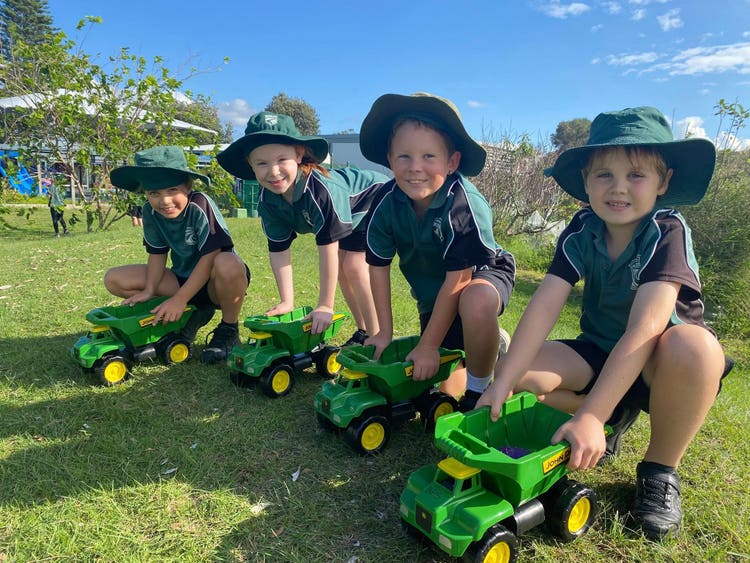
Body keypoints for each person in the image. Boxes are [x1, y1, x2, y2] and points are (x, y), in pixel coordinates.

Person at [476, 107, 734, 540]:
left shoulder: (667, 230)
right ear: (585, 181)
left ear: (663, 182)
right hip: (598, 349)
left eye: (636, 175)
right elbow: (544, 305)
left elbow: (645, 329)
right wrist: (501, 382)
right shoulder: (582, 227)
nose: (618, 188)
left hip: (661, 366)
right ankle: (612, 416)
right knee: (518, 378)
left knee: (697, 348)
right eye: (604, 175)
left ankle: (659, 470)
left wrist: (591, 414)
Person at [359, 93, 515, 407]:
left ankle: (479, 390)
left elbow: (460, 279)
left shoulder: (463, 203)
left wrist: (429, 345)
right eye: (404, 156)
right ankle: (489, 345)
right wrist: (383, 332)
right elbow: (378, 268)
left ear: (452, 162)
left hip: (480, 276)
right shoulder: (384, 203)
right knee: (436, 387)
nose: (415, 168)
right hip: (434, 293)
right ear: (390, 160)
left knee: (475, 301)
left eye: (429, 156)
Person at [217, 112, 388, 344]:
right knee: (342, 269)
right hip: (350, 215)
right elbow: (279, 251)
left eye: (281, 160)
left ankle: (376, 338)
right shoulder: (268, 200)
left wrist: (325, 305)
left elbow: (327, 248)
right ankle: (363, 331)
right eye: (262, 163)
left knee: (353, 267)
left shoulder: (319, 191)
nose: (273, 171)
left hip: (376, 198)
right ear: (250, 164)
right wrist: (287, 301)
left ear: (298, 155)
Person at [104, 145, 251, 364]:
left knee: (227, 261)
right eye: (154, 193)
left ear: (188, 186)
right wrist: (149, 290)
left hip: (216, 283)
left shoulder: (200, 204)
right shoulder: (150, 211)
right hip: (180, 278)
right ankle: (191, 315)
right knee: (114, 279)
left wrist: (180, 298)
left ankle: (229, 329)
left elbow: (211, 255)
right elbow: (157, 253)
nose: (164, 201)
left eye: (172, 190)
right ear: (145, 192)